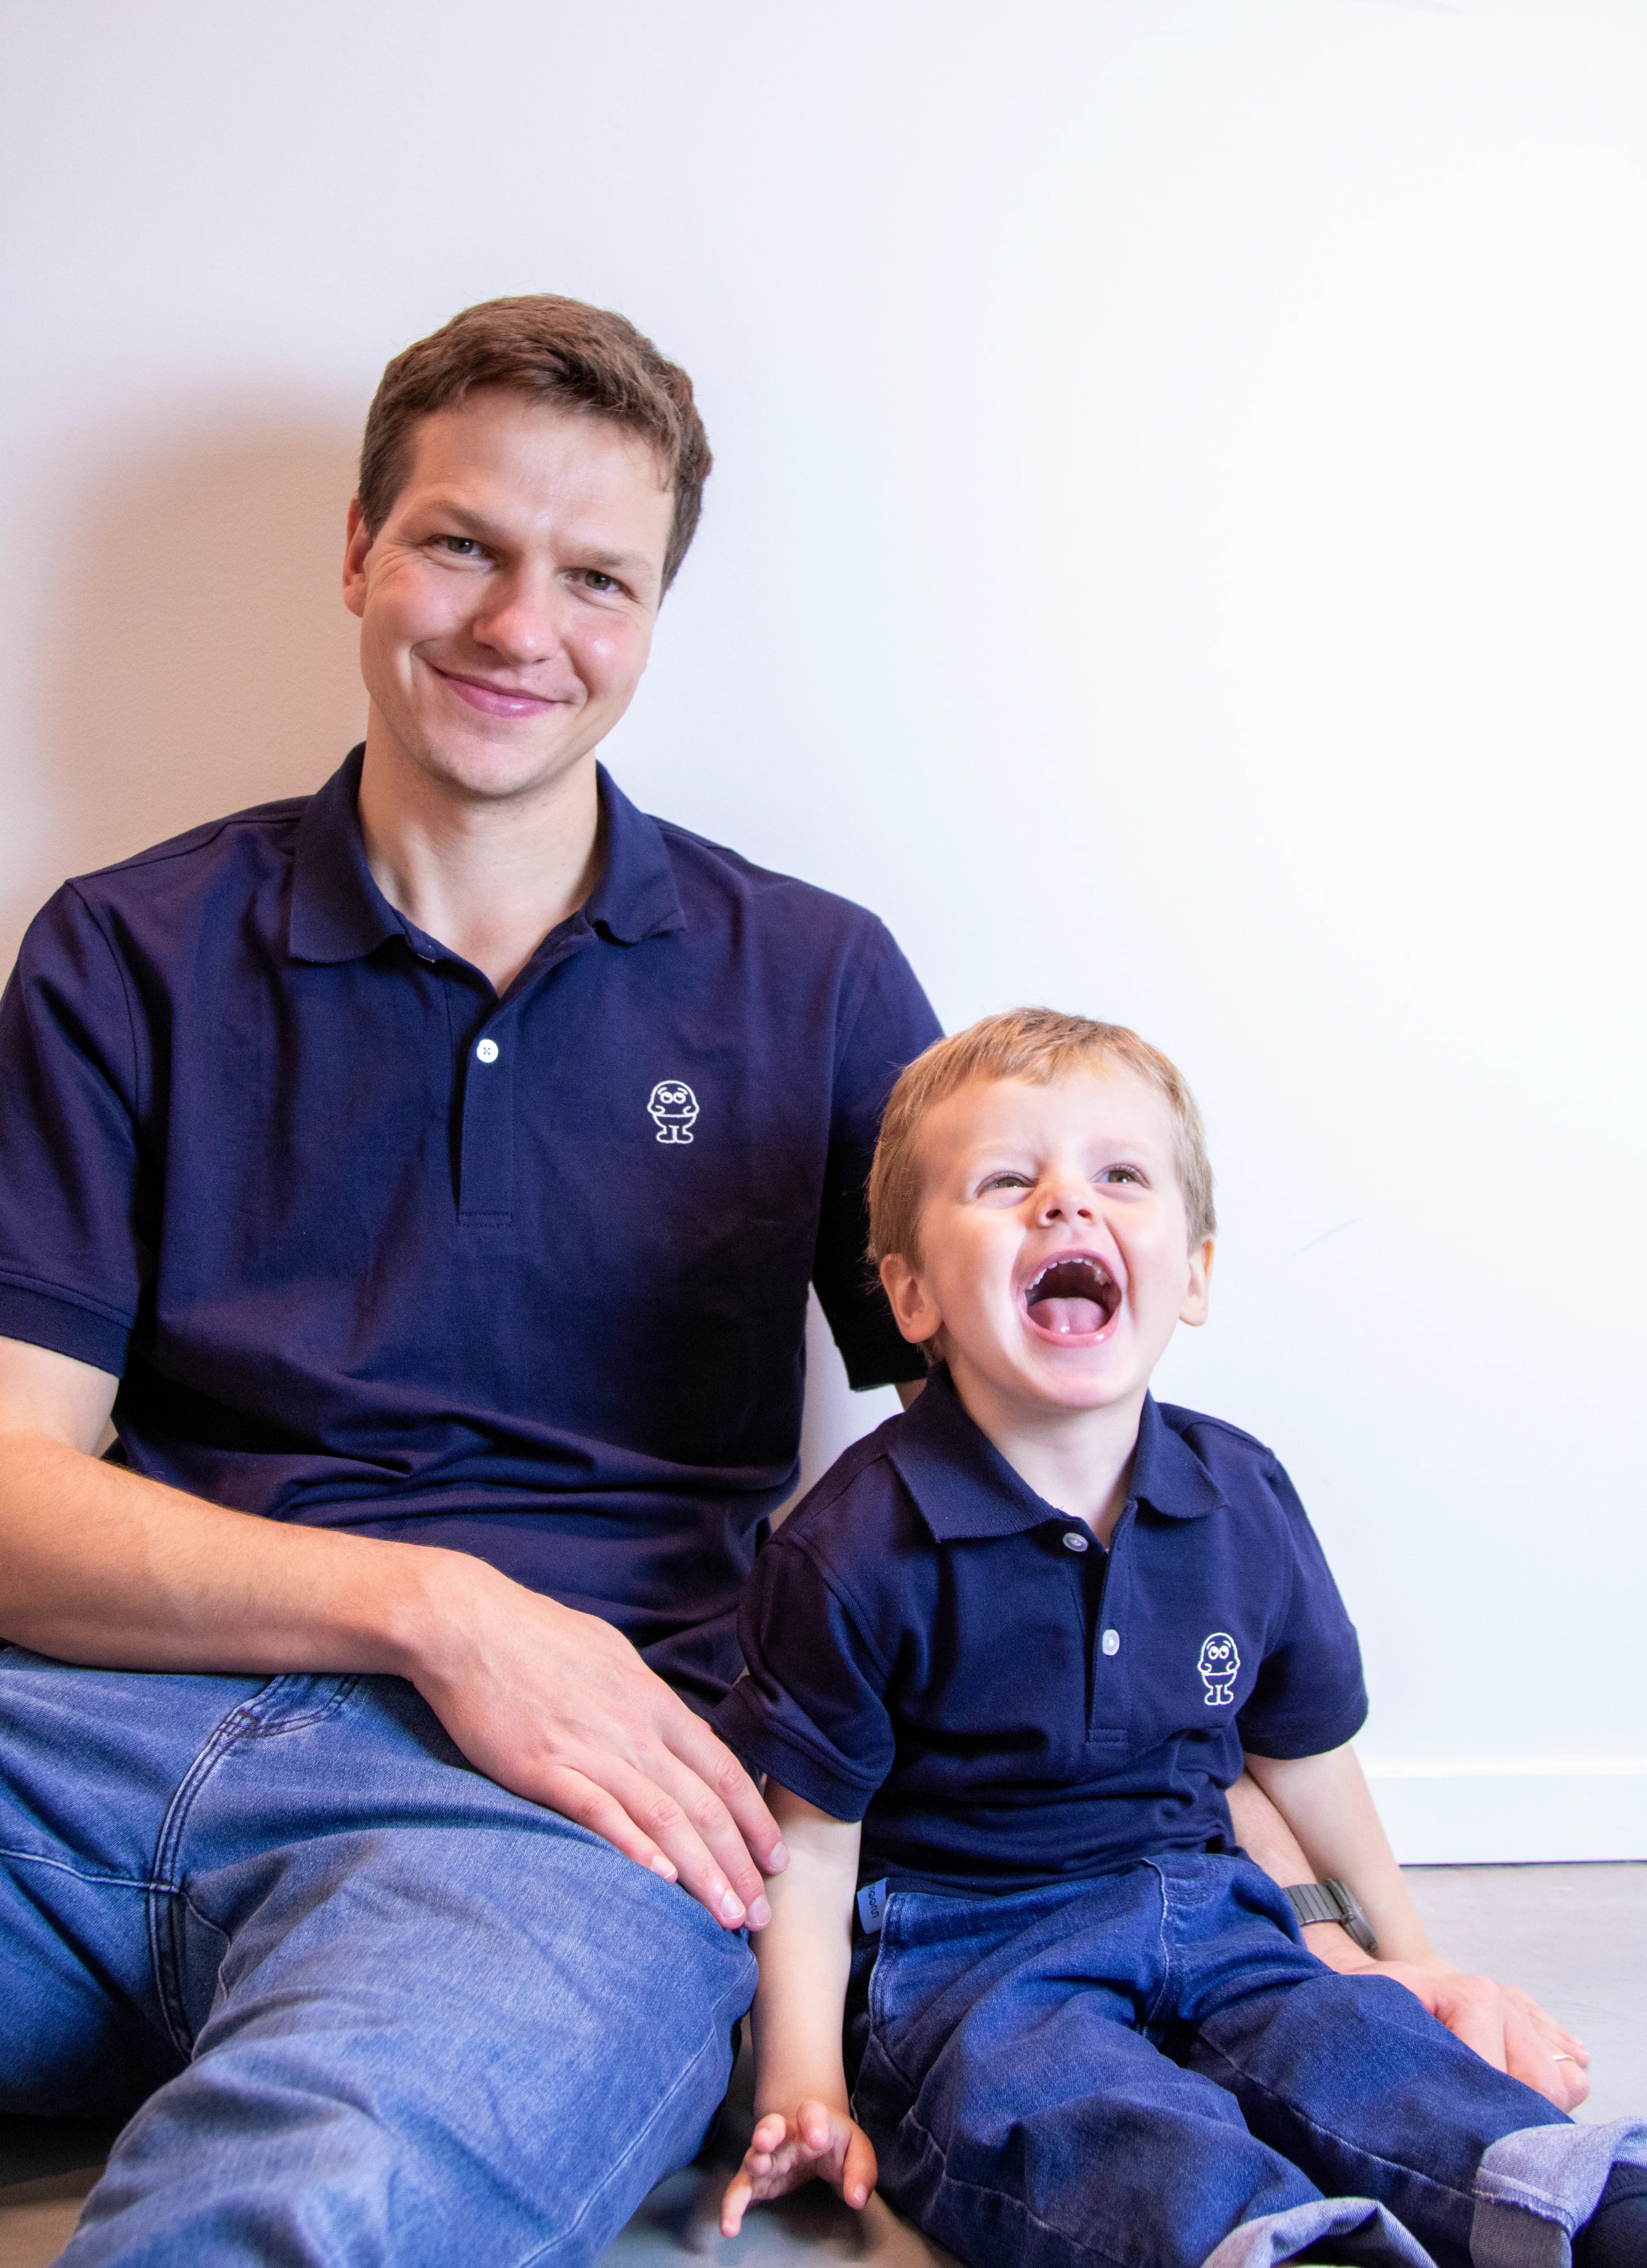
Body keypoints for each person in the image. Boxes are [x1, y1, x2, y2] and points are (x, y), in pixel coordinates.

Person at [0, 301, 1587, 2268]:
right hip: (85, 1737)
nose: (521, 628)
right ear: (357, 550)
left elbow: (1017, 1478)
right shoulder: (123, 952)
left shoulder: (813, 981)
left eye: (597, 578)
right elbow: (12, 1498)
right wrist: (432, 1611)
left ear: (654, 615)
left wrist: (1325, 1930)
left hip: (585, 1810)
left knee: (329, 2186)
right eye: (461, 545)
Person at [714, 1010, 1646, 2268]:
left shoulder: (1240, 1497)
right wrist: (804, 2088)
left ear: (1194, 1273)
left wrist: (1409, 1961)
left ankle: (1574, 2207)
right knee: (1081, 2115)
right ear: (912, 1293)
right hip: (971, 1945)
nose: (1066, 1207)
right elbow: (812, 1860)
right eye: (1007, 1182)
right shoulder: (852, 1549)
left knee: (1353, 2048)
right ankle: (1278, 2244)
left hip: (1213, 1907)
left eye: (1119, 1176)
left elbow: (1307, 1760)